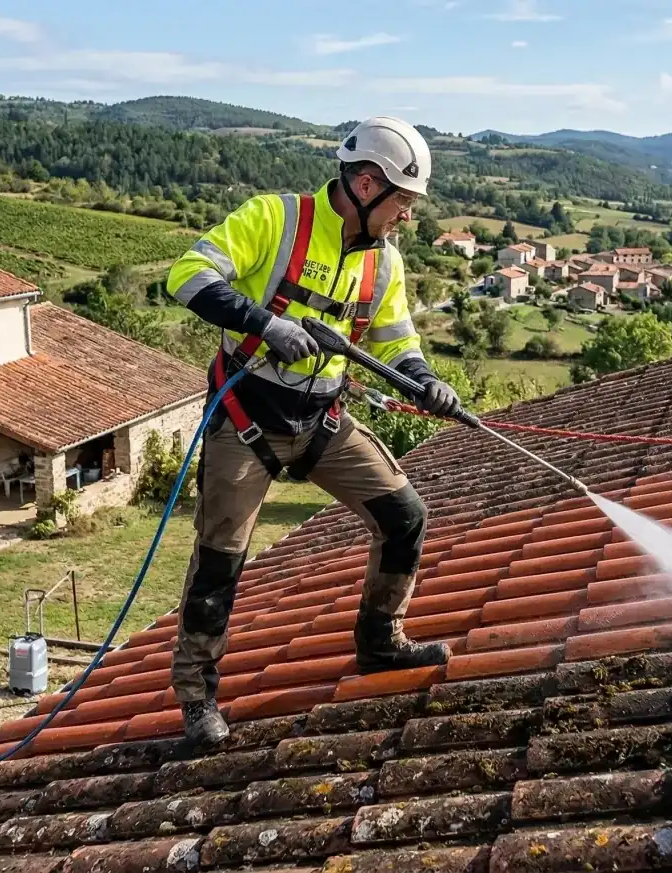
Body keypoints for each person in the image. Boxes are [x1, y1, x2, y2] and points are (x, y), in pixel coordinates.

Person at [164, 116, 462, 745]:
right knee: (220, 559)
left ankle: (380, 642)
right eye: (403, 202)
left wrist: (424, 379)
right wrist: (266, 325)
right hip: (247, 417)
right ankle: (197, 697)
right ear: (364, 183)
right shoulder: (275, 219)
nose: (407, 216)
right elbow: (187, 275)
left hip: (323, 417)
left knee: (404, 516)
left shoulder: (385, 265)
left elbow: (396, 342)